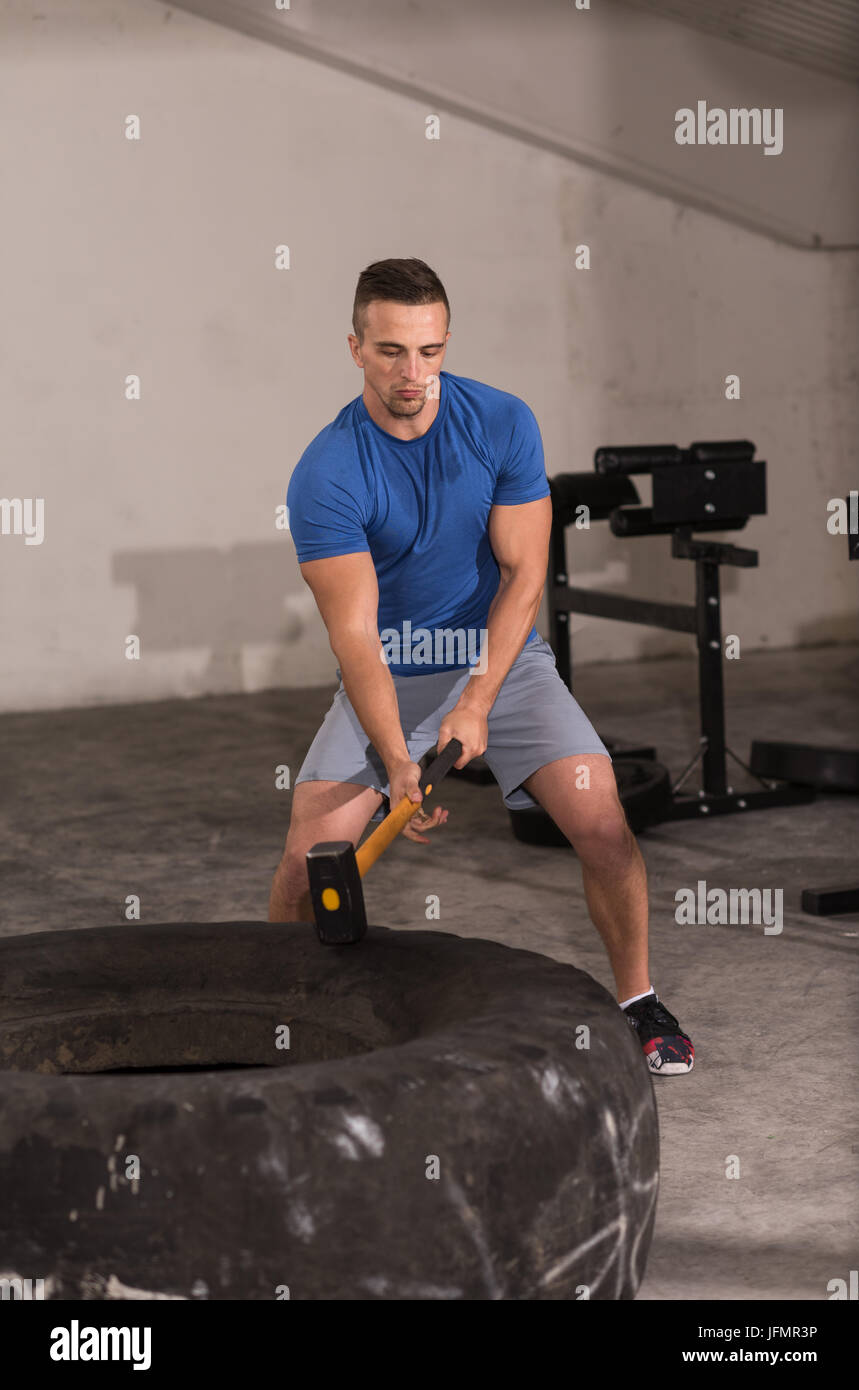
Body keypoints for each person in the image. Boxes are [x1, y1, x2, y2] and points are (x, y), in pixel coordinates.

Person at [270, 257, 693, 1076]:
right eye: (391, 351)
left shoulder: (501, 422)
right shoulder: (326, 472)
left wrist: (478, 699)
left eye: (428, 351)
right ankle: (284, 1015)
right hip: (390, 671)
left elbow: (524, 575)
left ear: (446, 342)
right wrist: (398, 760)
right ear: (354, 347)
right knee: (303, 864)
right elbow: (355, 639)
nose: (412, 373)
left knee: (603, 822)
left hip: (502, 658)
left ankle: (639, 1000)